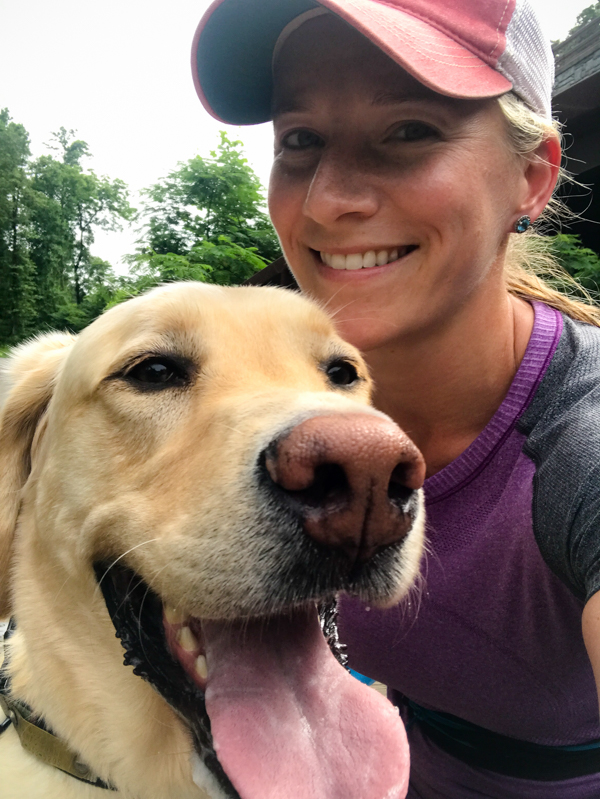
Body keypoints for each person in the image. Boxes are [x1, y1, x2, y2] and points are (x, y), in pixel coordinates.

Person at [191, 1, 600, 796]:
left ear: (532, 177)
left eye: (409, 130)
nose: (328, 201)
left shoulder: (577, 440)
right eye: (300, 140)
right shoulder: (274, 407)